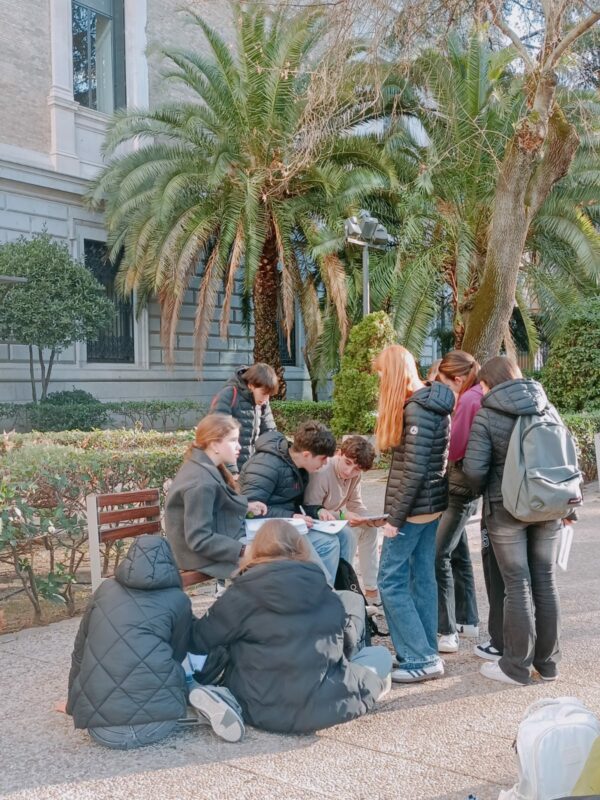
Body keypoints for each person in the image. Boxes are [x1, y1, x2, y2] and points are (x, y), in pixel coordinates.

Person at [190, 520, 392, 733]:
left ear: (255, 550)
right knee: (380, 655)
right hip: (323, 708)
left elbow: (199, 640)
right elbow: (345, 646)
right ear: (301, 548)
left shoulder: (240, 594)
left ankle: (220, 696)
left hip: (257, 708)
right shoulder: (326, 593)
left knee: (219, 648)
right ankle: (372, 686)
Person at [66, 535, 245, 748]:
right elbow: (178, 654)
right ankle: (205, 699)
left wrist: (72, 704)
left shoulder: (103, 591)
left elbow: (79, 653)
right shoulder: (178, 600)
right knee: (179, 668)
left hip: (101, 731)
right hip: (156, 726)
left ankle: (196, 701)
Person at [463, 356, 564, 685]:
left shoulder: (487, 414)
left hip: (506, 508)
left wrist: (480, 489)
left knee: (516, 584)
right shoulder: (546, 406)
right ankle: (547, 665)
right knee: (545, 581)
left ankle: (516, 667)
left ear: (488, 383)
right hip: (548, 505)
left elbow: (474, 470)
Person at [373, 344, 454, 683]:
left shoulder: (417, 409)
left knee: (389, 581)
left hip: (413, 509)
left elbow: (414, 471)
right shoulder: (433, 402)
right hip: (430, 506)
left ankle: (420, 656)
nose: (381, 381)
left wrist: (394, 519)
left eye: (382, 374)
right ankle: (424, 650)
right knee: (421, 577)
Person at [165, 414, 266, 579]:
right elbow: (199, 539)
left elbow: (215, 504)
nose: (239, 446)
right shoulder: (200, 482)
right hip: (197, 557)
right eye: (233, 440)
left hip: (210, 544)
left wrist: (246, 507)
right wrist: (243, 550)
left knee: (277, 549)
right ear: (214, 445)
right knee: (272, 564)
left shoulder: (204, 465)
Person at [239, 420, 340, 582]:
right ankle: (323, 591)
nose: (326, 463)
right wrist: (291, 517)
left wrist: (317, 511)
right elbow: (250, 511)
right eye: (323, 458)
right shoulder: (265, 464)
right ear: (306, 455)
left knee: (342, 536)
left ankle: (339, 587)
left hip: (285, 525)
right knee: (321, 542)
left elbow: (294, 506)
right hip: (260, 532)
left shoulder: (299, 467)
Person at [434, 350, 482, 654]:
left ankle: (446, 629)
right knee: (459, 552)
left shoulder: (467, 400)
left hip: (459, 487)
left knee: (437, 554)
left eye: (444, 382)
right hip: (469, 487)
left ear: (458, 378)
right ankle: (468, 619)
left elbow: (454, 448)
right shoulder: (478, 394)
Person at [304, 435, 381, 602]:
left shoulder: (355, 476)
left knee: (370, 530)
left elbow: (356, 505)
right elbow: (312, 509)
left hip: (334, 521)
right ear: (339, 453)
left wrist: (370, 519)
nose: (349, 471)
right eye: (347, 463)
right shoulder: (322, 471)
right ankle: (345, 584)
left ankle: (371, 590)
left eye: (357, 469)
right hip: (316, 524)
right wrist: (342, 515)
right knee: (347, 534)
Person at [210, 363, 278, 474]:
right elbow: (219, 435)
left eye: (269, 395)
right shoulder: (229, 395)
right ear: (251, 385)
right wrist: (232, 472)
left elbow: (270, 435)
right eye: (264, 393)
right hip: (227, 470)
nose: (266, 399)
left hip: (252, 469)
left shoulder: (263, 402)